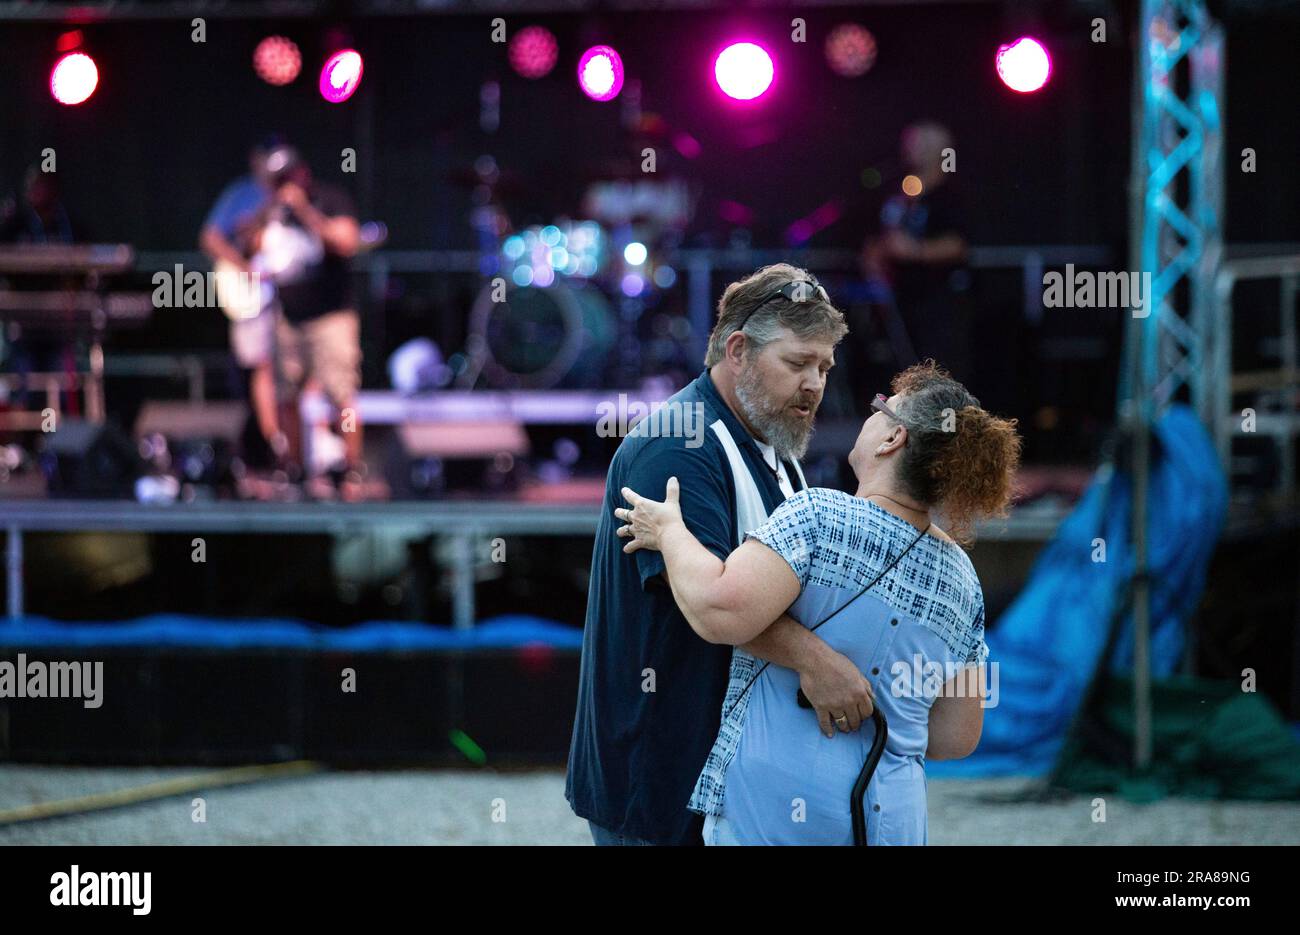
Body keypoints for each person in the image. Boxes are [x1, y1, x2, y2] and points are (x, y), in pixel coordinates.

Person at [614, 360, 1020, 844]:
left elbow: (717, 610)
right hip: (895, 819)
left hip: (777, 809)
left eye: (881, 409)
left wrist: (670, 532)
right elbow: (957, 736)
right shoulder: (963, 579)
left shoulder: (821, 516)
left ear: (893, 440)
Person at [567, 263, 891, 846]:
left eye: (824, 366)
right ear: (738, 349)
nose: (816, 384)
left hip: (718, 773)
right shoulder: (679, 444)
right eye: (797, 363)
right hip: (662, 777)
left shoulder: (770, 439)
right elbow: (711, 604)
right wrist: (816, 660)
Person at [256, 146, 367, 499]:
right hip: (288, 316)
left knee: (341, 394)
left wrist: (304, 210)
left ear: (302, 174)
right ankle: (296, 469)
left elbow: (346, 242)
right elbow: (238, 238)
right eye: (276, 182)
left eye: (286, 179)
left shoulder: (330, 198)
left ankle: (350, 469)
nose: (282, 187)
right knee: (285, 395)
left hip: (330, 317)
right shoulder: (272, 211)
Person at [861, 122, 973, 383]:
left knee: (940, 371)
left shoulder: (949, 196)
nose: (910, 150)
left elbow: (959, 244)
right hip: (903, 300)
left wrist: (915, 250)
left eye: (919, 144)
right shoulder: (900, 194)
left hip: (941, 302)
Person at [199, 139, 286, 469]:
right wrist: (244, 263)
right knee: (259, 369)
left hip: (290, 299)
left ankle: (293, 451)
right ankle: (267, 448)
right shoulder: (243, 193)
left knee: (287, 372)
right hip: (254, 300)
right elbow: (211, 237)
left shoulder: (293, 194)